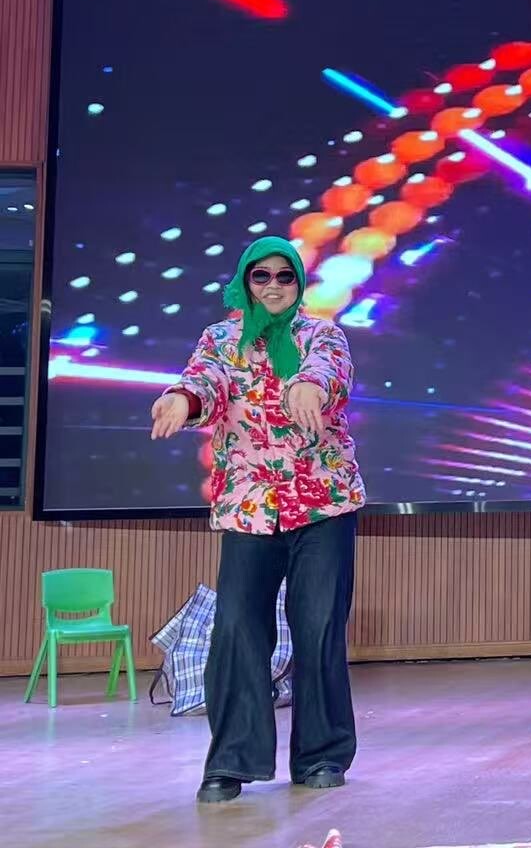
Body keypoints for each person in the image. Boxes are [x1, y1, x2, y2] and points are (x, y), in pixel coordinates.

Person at [148, 237, 362, 804]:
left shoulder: (321, 334)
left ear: (298, 284)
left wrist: (310, 386)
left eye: (284, 276)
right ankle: (231, 760)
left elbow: (329, 372)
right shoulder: (221, 339)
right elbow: (206, 381)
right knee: (238, 629)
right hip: (249, 504)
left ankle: (321, 755)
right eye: (261, 276)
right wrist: (183, 400)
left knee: (318, 627)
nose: (272, 286)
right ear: (246, 282)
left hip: (322, 502)